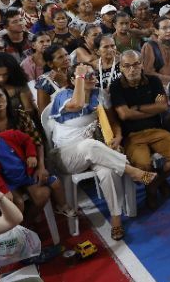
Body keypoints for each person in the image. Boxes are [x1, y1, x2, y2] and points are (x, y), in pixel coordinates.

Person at [47, 64, 155, 240]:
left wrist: (118, 137)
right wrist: (79, 76)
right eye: (85, 75)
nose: (91, 77)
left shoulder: (100, 95)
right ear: (74, 80)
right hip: (65, 156)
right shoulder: (63, 96)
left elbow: (112, 121)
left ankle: (116, 219)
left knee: (109, 171)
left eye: (92, 74)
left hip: (95, 152)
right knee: (89, 145)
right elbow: (78, 104)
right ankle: (133, 171)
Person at [109, 49, 170, 206]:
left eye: (135, 64)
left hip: (157, 130)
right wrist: (149, 109)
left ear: (141, 64)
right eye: (126, 66)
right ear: (120, 67)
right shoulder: (116, 86)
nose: (132, 69)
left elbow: (163, 106)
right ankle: (159, 184)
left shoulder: (154, 81)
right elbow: (124, 115)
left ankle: (154, 185)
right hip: (132, 136)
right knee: (143, 165)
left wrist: (136, 107)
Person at [0, 125, 63, 220]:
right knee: (17, 203)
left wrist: (31, 155)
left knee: (46, 191)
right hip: (9, 183)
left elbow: (27, 140)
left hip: (27, 175)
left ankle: (28, 222)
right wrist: (4, 190)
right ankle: (17, 229)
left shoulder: (8, 135)